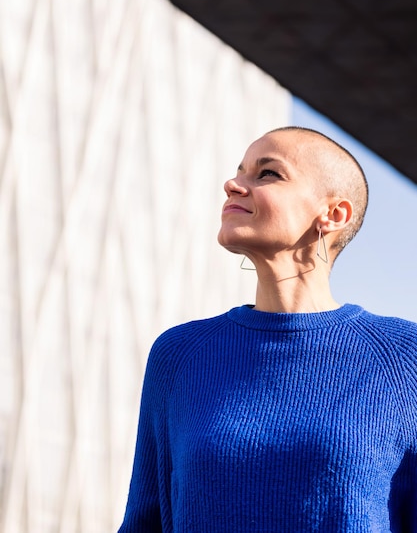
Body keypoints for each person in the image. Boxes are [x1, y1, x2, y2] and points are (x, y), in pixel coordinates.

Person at [117, 126, 417, 532]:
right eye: (238, 172)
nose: (232, 184)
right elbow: (145, 522)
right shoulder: (178, 354)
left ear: (333, 214)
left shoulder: (403, 356)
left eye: (267, 174)